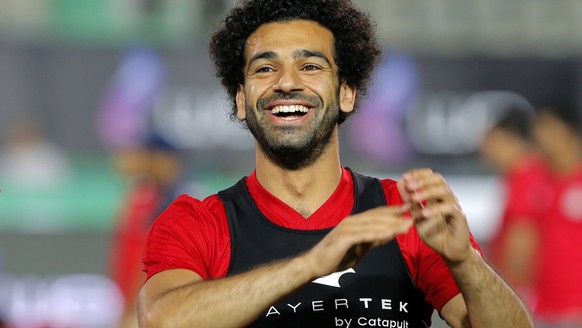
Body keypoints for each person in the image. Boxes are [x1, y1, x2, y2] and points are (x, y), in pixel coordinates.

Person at [137, 1, 533, 327]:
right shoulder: (197, 223)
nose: (286, 82)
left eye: (310, 66)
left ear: (346, 93)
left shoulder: (406, 214)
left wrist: (466, 262)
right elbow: (161, 320)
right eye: (265, 68)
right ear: (241, 100)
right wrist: (311, 264)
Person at [109, 133, 185, 328]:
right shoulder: (145, 196)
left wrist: (134, 311)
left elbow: (150, 265)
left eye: (144, 156)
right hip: (131, 301)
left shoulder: (174, 203)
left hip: (148, 306)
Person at [479, 108, 549, 308]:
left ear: (510, 139)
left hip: (522, 292)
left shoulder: (524, 178)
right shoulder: (528, 174)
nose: (485, 148)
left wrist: (505, 291)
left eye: (492, 140)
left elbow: (523, 241)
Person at [531, 104, 582, 328]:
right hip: (539, 306)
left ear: (570, 130)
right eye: (539, 129)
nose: (542, 137)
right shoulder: (534, 179)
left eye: (550, 128)